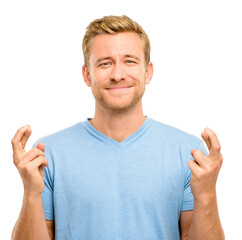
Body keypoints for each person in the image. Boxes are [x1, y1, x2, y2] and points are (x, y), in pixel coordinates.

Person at [11, 15, 225, 240]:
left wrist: (207, 194)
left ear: (148, 72)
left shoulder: (188, 152)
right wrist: (32, 194)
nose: (118, 75)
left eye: (130, 61)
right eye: (105, 63)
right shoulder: (48, 154)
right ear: (87, 75)